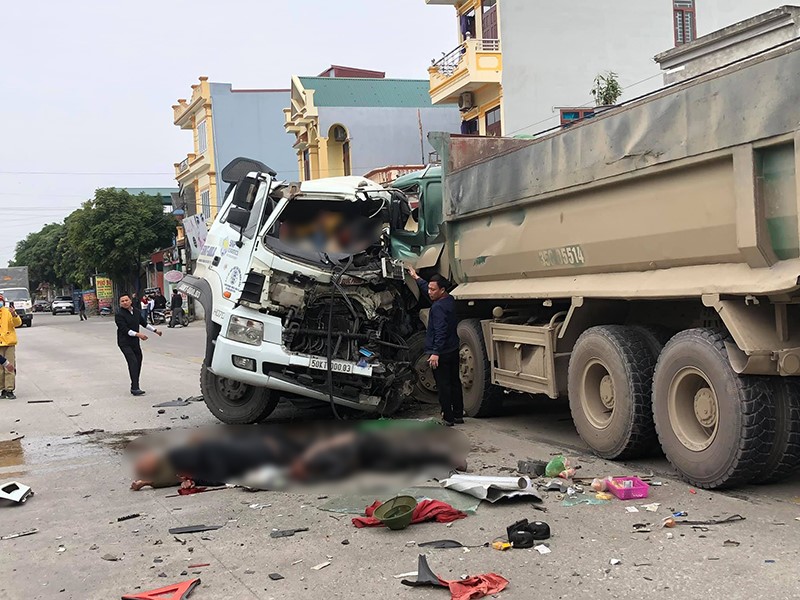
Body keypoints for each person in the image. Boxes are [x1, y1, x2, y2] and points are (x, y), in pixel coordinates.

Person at [407, 267, 463, 426]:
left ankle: (448, 418)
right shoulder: (449, 300)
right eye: (429, 289)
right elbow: (428, 289)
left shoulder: (437, 308)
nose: (430, 292)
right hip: (453, 348)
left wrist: (435, 353)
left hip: (442, 353)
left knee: (443, 385)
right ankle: (458, 415)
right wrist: (416, 278)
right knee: (454, 382)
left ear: (442, 290)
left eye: (433, 289)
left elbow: (440, 331)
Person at [116, 293, 162, 396]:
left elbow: (143, 323)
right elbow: (124, 330)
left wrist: (155, 330)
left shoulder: (136, 311)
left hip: (135, 342)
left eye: (126, 300)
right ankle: (135, 387)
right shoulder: (119, 314)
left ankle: (135, 385)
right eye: (122, 301)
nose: (125, 302)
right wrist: (138, 334)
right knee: (132, 362)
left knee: (138, 361)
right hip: (124, 342)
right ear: (120, 304)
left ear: (130, 301)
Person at [0, 293, 22, 399]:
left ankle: (9, 389)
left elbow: (17, 323)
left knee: (9, 366)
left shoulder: (8, 312)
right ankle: (2, 389)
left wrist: (14, 315)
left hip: (9, 343)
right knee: (0, 368)